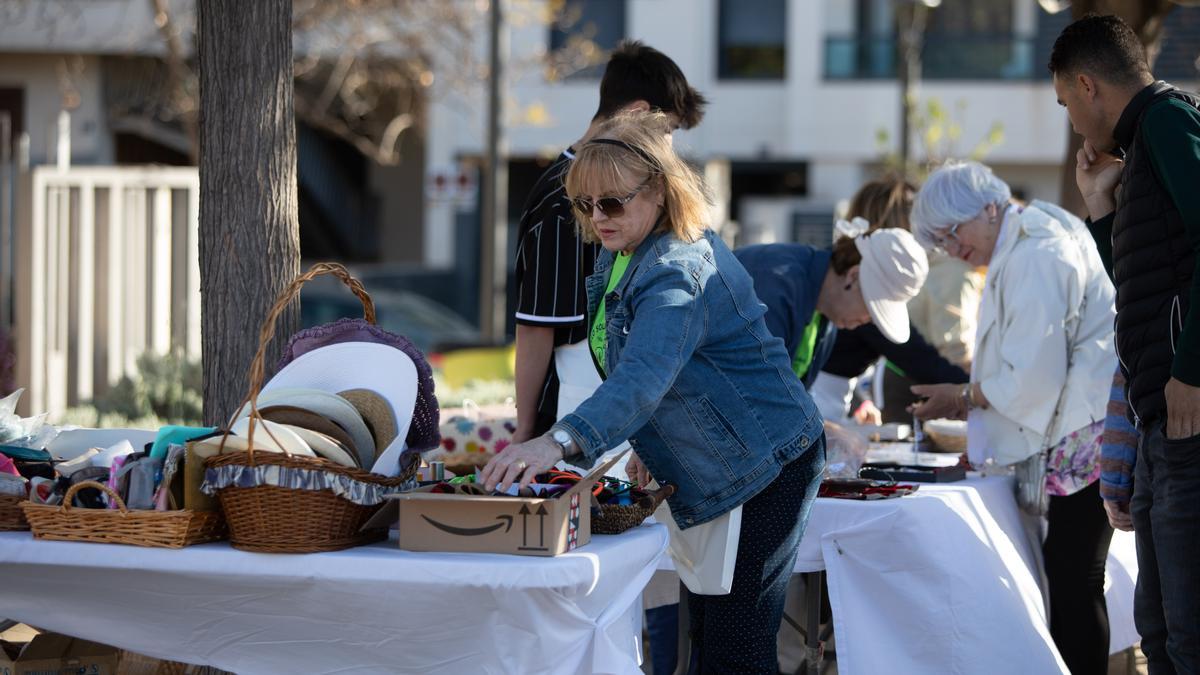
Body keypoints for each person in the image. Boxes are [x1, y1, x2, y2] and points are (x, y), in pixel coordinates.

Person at [481, 111, 826, 673]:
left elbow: (642, 377)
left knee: (735, 649)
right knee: (714, 639)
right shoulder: (629, 254)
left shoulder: (674, 269)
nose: (598, 218)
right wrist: (650, 442)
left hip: (771, 459)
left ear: (660, 191)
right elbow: (664, 379)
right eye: (585, 205)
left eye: (612, 203)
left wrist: (556, 441)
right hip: (738, 455)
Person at [908, 160, 1116, 675]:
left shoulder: (1035, 253)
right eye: (942, 243)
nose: (953, 251)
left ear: (987, 209)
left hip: (1081, 433)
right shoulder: (1030, 234)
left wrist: (961, 395)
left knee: (1073, 579)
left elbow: (1031, 380)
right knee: (1069, 578)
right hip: (1078, 431)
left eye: (951, 235)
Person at [1049, 13, 1200, 672]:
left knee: (1185, 633)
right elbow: (1142, 290)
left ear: (1088, 86)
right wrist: (1102, 209)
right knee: (1162, 629)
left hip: (1185, 417)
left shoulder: (1167, 122)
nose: (1074, 126)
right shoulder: (1143, 147)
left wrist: (1192, 369)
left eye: (1066, 106)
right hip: (1160, 421)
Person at [512, 41, 707, 447]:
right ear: (637, 113)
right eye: (668, 130)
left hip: (619, 402)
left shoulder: (625, 188)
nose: (668, 145)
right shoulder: (561, 200)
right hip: (577, 408)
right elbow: (537, 326)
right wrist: (527, 429)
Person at [803, 177, 970, 424]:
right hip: (814, 415)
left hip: (824, 410)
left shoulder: (837, 267)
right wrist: (978, 394)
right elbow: (918, 360)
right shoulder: (864, 286)